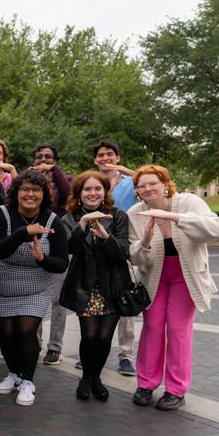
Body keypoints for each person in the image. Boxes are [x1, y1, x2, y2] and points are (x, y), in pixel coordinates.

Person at [128, 164, 219, 411]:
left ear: (165, 184)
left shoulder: (189, 202)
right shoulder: (135, 213)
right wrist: (146, 240)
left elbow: (216, 229)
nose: (147, 188)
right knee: (152, 327)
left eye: (152, 183)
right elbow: (136, 258)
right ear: (137, 190)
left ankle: (176, 390)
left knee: (178, 330)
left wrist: (175, 218)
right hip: (154, 277)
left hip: (186, 276)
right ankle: (146, 384)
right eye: (141, 185)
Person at [0, 170, 68, 407]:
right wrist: (23, 233)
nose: (30, 194)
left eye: (36, 190)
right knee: (7, 335)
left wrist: (43, 259)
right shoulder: (1, 214)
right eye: (25, 189)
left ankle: (27, 381)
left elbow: (61, 263)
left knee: (25, 332)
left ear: (44, 194)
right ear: (16, 192)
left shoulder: (52, 221)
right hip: (2, 287)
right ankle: (13, 373)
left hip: (36, 288)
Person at [59, 171, 131, 402]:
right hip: (85, 285)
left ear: (105, 192)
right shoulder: (70, 218)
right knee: (89, 336)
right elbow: (67, 248)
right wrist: (82, 225)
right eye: (87, 189)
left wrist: (106, 237)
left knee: (104, 338)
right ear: (79, 193)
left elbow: (123, 252)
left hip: (113, 285)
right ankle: (86, 378)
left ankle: (96, 378)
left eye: (98, 188)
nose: (93, 193)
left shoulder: (117, 216)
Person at [92, 139, 138, 376]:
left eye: (110, 154)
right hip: (96, 249)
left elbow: (158, 183)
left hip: (122, 248)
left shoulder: (131, 181)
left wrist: (126, 172)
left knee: (124, 301)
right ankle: (90, 352)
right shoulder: (92, 182)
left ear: (118, 157)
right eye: (101, 155)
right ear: (95, 160)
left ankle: (126, 356)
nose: (105, 158)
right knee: (93, 303)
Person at [30, 143, 73, 367]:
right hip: (34, 244)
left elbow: (68, 197)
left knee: (58, 301)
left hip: (58, 246)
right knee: (34, 297)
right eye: (39, 157)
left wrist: (54, 172)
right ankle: (34, 342)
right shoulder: (29, 181)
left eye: (48, 157)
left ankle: (55, 347)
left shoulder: (65, 180)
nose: (43, 160)